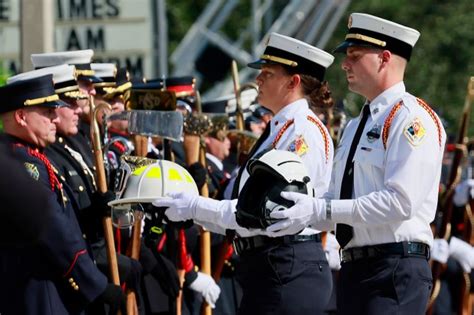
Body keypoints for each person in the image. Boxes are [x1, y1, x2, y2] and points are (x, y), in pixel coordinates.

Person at [264, 13, 447, 315]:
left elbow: (400, 202)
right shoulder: (354, 126)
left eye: (355, 55)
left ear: (384, 58)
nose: (344, 64)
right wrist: (297, 210)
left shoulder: (411, 119)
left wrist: (321, 209)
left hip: (394, 270)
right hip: (355, 269)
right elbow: (338, 201)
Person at [154, 32, 335, 315]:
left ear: (293, 81)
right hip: (272, 267)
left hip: (288, 267)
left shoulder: (302, 133)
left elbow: (265, 213)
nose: (259, 80)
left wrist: (194, 207)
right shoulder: (280, 129)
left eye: (267, 73)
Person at [0, 74, 125, 314]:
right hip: (40, 296)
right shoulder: (23, 165)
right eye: (47, 112)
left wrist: (91, 215)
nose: (54, 118)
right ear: (21, 117)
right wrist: (96, 286)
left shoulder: (30, 157)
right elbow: (53, 232)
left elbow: (60, 219)